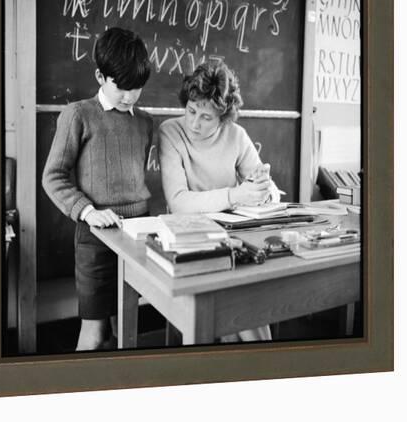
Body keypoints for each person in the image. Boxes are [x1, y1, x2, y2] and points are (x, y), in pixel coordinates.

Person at [42, 27, 153, 351]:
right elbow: (54, 176)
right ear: (100, 76)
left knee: (127, 329)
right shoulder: (78, 114)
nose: (130, 96)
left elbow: (137, 176)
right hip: (96, 237)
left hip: (137, 234)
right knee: (95, 332)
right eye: (122, 87)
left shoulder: (145, 122)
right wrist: (89, 212)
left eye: (137, 88)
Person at [158, 61, 279, 342]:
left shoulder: (236, 135)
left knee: (244, 306)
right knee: (237, 312)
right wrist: (235, 195)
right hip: (190, 241)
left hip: (232, 237)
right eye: (191, 111)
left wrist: (263, 189)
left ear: (223, 118)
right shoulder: (170, 132)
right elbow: (178, 202)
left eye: (206, 118)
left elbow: (270, 188)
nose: (194, 123)